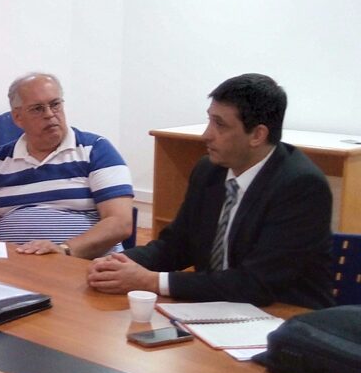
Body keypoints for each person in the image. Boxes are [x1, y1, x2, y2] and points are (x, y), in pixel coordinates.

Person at [88, 73, 334, 309]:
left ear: (258, 135)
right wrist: (120, 263)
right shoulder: (209, 170)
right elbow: (177, 245)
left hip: (285, 319)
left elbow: (256, 283)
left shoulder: (300, 186)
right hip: (216, 308)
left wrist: (151, 281)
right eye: (210, 120)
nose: (206, 135)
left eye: (220, 125)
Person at [0, 73, 134, 259]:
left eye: (55, 104)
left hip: (82, 265)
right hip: (17, 266)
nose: (50, 114)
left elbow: (119, 222)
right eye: (37, 109)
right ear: (17, 117)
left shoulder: (95, 149)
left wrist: (65, 249)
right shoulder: (0, 160)